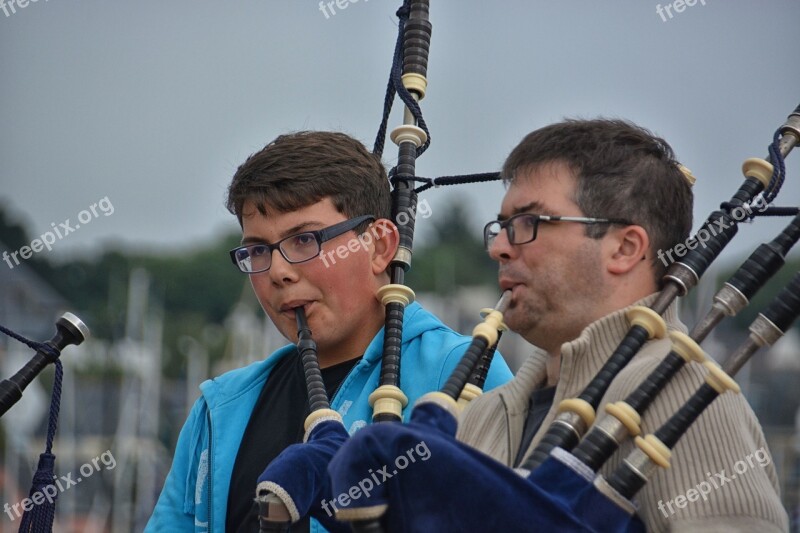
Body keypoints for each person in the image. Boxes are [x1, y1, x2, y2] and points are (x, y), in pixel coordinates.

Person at [145, 131, 512, 532]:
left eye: (305, 240)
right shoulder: (221, 408)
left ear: (380, 245)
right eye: (258, 250)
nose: (279, 272)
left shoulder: (463, 375)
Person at [457, 119, 788, 532]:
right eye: (503, 226)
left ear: (625, 248)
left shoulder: (687, 394)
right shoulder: (483, 414)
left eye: (529, 223)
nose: (498, 248)